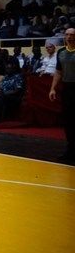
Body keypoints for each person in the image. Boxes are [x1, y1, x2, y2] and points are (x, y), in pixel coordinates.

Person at [49, 28, 75, 163]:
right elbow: (58, 72)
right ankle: (70, 151)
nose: (69, 37)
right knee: (68, 121)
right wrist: (53, 88)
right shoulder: (61, 52)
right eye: (67, 34)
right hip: (67, 88)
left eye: (72, 34)